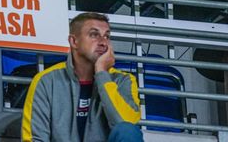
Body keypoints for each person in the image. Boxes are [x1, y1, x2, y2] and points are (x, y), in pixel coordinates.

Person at [21, 12, 142, 142]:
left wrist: (102, 74)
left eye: (107, 36)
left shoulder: (123, 80)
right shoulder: (46, 81)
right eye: (94, 35)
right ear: (74, 41)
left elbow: (127, 125)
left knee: (127, 130)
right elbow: (34, 138)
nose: (103, 42)